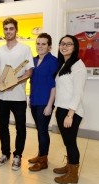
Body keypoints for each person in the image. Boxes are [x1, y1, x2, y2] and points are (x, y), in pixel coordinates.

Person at [0, 17, 34, 171]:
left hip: (18, 97)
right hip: (1, 97)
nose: (8, 31)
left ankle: (18, 156)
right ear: (3, 31)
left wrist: (13, 83)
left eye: (11, 28)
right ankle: (5, 154)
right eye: (6, 29)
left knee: (20, 128)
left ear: (16, 30)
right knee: (3, 127)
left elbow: (29, 71)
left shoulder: (25, 49)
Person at [53, 35, 87, 184]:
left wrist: (70, 114)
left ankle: (73, 174)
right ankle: (69, 166)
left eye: (68, 44)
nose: (64, 46)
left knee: (71, 142)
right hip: (62, 108)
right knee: (67, 141)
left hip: (71, 112)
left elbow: (78, 92)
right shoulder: (63, 64)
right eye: (62, 44)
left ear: (75, 47)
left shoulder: (78, 65)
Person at [28, 33, 58, 171]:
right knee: (39, 129)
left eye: (43, 44)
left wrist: (49, 105)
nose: (40, 46)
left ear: (49, 47)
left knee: (43, 131)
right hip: (34, 100)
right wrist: (29, 97)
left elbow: (54, 84)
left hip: (45, 101)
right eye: (38, 43)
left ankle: (43, 161)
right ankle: (41, 155)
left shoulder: (53, 61)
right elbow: (32, 81)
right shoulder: (33, 60)